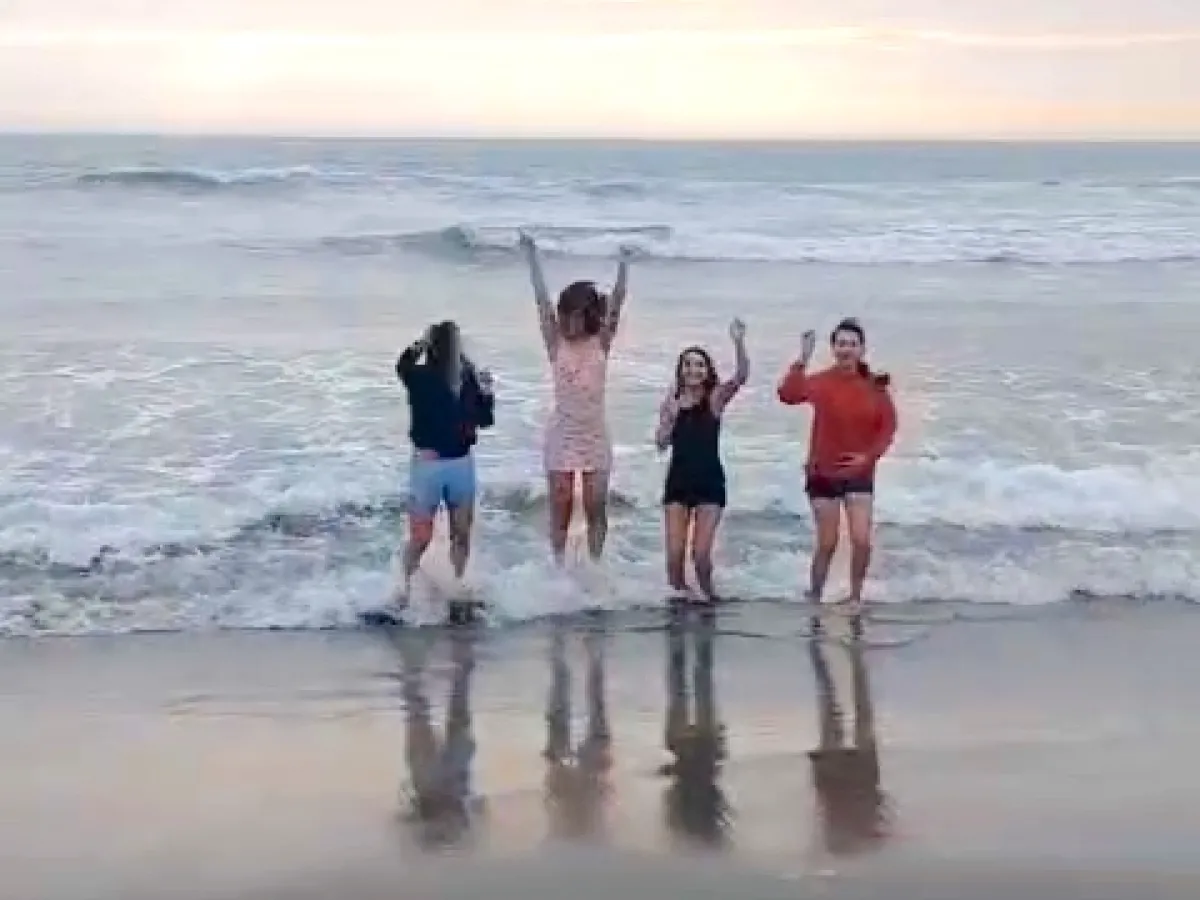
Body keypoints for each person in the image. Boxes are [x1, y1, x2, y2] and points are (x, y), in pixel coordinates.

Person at [520, 231, 630, 564]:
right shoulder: (556, 342)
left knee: (596, 506)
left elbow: (618, 301)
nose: (568, 321)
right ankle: (558, 568)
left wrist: (624, 262)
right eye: (565, 314)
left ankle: (595, 566)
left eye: (575, 315)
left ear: (589, 315)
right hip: (563, 434)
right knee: (561, 506)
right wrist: (531, 257)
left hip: (593, 435)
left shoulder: (601, 341)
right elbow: (541, 301)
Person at [777, 318, 896, 612]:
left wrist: (868, 457)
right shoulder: (820, 381)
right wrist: (803, 357)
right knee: (827, 543)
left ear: (862, 349)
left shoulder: (875, 386)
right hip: (823, 473)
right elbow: (788, 395)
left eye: (852, 344)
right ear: (833, 348)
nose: (846, 349)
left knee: (861, 540)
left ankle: (855, 597)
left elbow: (888, 427)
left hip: (859, 473)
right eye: (841, 344)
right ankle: (815, 596)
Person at [394, 320, 495, 606]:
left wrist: (487, 394)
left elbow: (485, 420)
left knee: (461, 533)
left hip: (460, 463)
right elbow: (402, 366)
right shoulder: (421, 377)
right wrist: (422, 342)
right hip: (428, 465)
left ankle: (456, 586)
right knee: (421, 537)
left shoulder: (469, 379)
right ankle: (404, 588)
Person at [655, 319, 749, 601]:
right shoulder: (671, 402)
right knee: (674, 558)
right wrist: (670, 418)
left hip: (709, 483)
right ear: (680, 371)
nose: (693, 370)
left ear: (707, 371)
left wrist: (738, 341)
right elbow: (661, 444)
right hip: (678, 483)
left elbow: (741, 376)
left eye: (699, 365)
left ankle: (710, 599)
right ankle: (680, 604)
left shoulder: (714, 399)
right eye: (687, 365)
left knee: (700, 556)